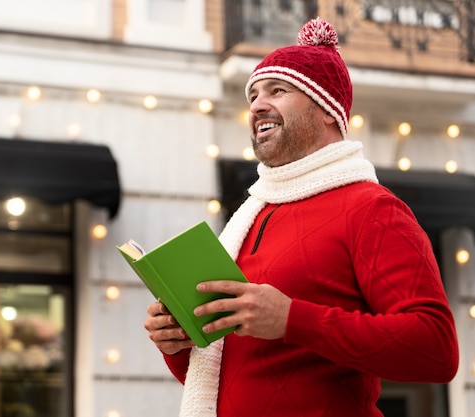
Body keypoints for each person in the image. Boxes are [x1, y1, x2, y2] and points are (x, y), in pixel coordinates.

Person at [144, 17, 459, 417]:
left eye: (278, 90)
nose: (258, 104)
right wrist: (179, 342)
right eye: (254, 94)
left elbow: (436, 350)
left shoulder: (372, 208)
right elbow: (232, 375)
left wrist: (292, 318)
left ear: (327, 110)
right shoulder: (251, 216)